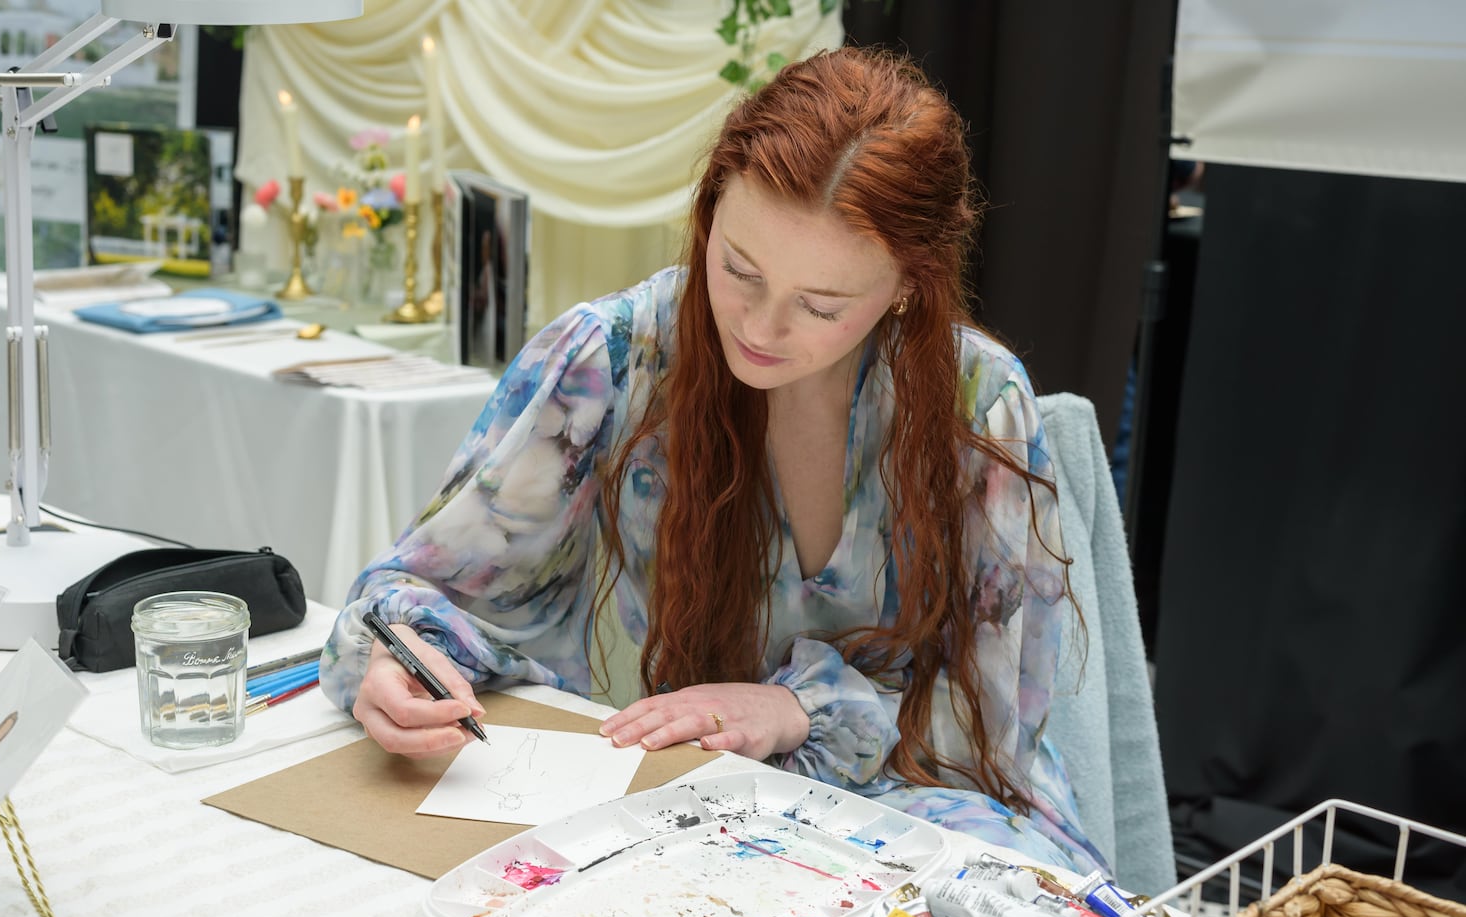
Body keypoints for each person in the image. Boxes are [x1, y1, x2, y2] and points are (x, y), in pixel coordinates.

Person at [320, 46, 1108, 874]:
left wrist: (797, 710)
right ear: (709, 213)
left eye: (821, 304)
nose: (761, 329)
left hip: (906, 800)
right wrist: (392, 657)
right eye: (737, 268)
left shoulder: (976, 406)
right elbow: (420, 591)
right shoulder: (614, 358)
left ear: (909, 287)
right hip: (680, 804)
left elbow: (989, 729)